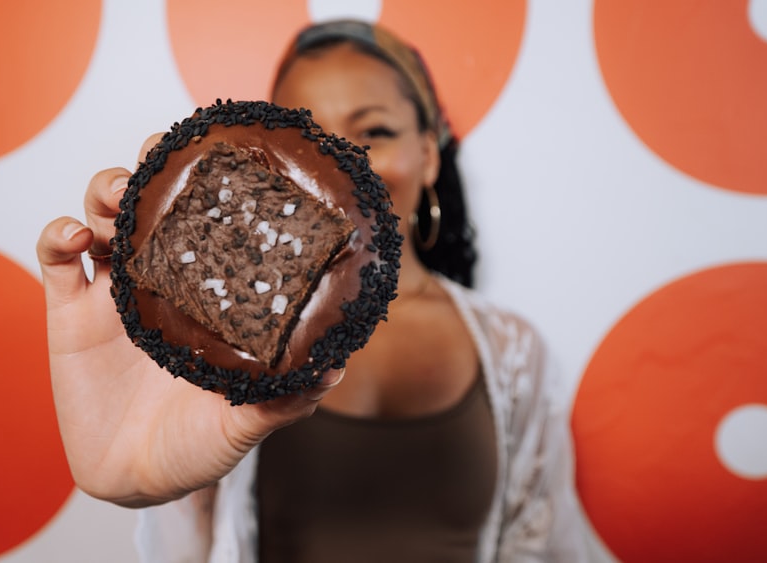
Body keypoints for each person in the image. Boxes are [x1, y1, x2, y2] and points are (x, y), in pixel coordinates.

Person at [37, 19, 589, 562]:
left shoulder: (515, 354)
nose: (339, 166)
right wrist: (134, 469)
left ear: (429, 153)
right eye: (310, 136)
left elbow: (547, 548)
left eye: (374, 131)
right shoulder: (216, 355)